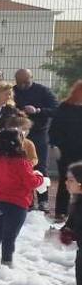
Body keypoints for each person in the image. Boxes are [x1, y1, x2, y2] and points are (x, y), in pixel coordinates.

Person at [0, 129, 45, 268]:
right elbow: (31, 182)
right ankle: (6, 264)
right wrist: (40, 177)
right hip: (16, 203)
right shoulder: (22, 163)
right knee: (9, 236)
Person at [13, 68, 57, 210]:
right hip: (18, 134)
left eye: (25, 82)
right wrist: (17, 111)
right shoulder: (12, 91)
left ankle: (43, 200)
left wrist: (38, 110)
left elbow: (56, 109)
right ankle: (27, 199)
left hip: (39, 133)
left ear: (32, 78)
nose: (22, 85)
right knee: (19, 166)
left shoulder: (43, 91)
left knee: (40, 166)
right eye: (19, 82)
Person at [51, 81, 82, 221]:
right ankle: (61, 212)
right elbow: (55, 128)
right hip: (66, 150)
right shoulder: (65, 107)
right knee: (66, 180)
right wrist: (54, 145)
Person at [61, 164, 82, 285]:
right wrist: (63, 233)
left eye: (71, 180)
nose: (66, 183)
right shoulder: (76, 201)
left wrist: (71, 234)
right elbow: (72, 225)